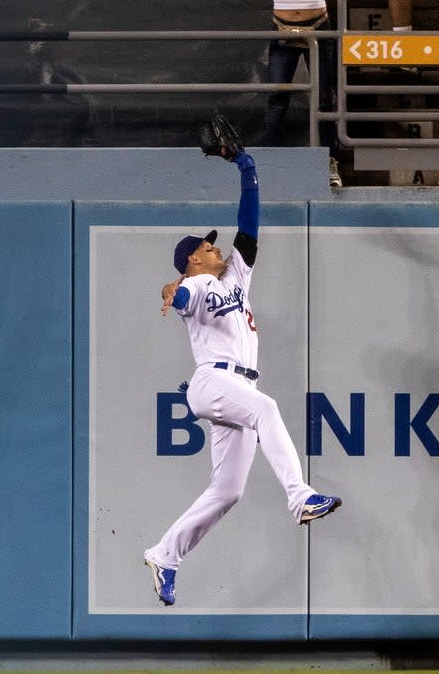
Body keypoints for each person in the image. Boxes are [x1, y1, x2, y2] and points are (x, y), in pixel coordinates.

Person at [145, 147, 342, 608]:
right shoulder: (196, 285)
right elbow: (178, 298)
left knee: (227, 491)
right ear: (193, 260)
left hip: (236, 386)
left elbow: (248, 225)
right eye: (207, 247)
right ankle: (300, 498)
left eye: (214, 245)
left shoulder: (235, 277)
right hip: (214, 380)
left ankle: (164, 555)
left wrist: (246, 167)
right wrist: (172, 292)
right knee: (268, 409)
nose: (216, 249)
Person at [224, 0, 375, 187]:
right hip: (283, 34)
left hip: (319, 32)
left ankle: (330, 163)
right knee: (277, 100)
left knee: (327, 100)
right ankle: (269, 164)